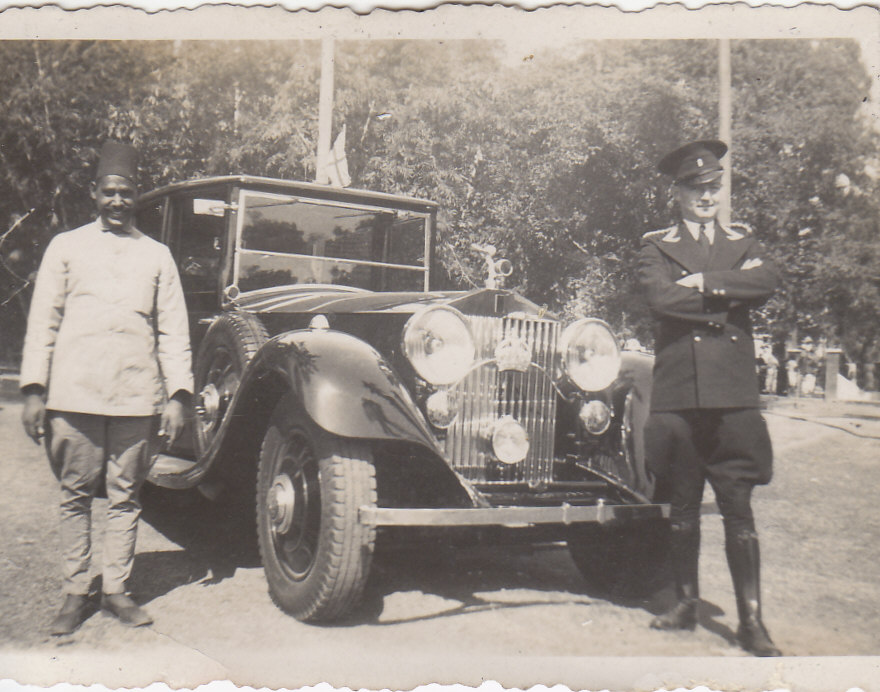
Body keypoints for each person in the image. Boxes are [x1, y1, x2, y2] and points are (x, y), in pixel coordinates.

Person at [20, 141, 193, 635]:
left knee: (126, 495)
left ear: (137, 196)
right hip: (75, 395)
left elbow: (173, 331)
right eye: (109, 192)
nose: (118, 201)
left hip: (137, 397)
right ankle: (76, 592)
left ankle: (116, 590)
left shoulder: (157, 256)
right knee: (74, 494)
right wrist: (34, 389)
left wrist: (178, 396)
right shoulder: (66, 247)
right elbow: (43, 323)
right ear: (94, 193)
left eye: (126, 193)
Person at [637, 140, 782, 656]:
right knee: (681, 506)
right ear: (676, 192)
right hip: (679, 394)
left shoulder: (743, 240)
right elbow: (659, 299)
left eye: (713, 187)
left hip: (731, 395)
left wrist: (704, 282)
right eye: (696, 188)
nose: (707, 196)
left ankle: (752, 623)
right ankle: (684, 603)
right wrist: (727, 294)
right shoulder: (655, 244)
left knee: (738, 507)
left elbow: (767, 280)